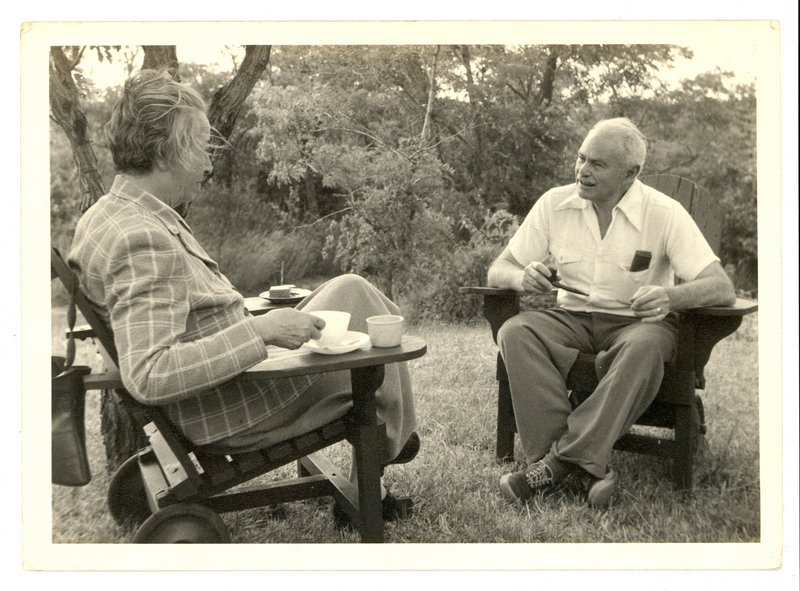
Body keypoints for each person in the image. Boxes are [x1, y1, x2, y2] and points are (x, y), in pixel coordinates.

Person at [68, 69, 418, 525]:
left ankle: (395, 420)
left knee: (350, 288)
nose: (209, 165)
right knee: (382, 353)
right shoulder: (142, 240)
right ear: (167, 150)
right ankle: (392, 437)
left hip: (227, 385)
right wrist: (261, 329)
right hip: (232, 407)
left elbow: (181, 311)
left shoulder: (110, 214)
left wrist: (252, 317)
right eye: (200, 148)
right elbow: (150, 373)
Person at [487, 117, 736, 508]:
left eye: (597, 164)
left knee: (645, 347)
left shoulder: (663, 212)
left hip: (637, 325)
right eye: (581, 158)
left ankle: (553, 465)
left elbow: (720, 287)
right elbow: (498, 269)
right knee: (516, 332)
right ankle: (579, 463)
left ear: (630, 173)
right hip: (570, 319)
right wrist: (522, 277)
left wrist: (671, 297)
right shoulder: (555, 203)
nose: (582, 171)